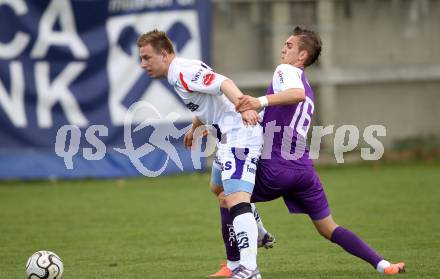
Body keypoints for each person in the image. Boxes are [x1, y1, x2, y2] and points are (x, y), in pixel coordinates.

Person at [207, 26, 405, 277]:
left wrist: (260, 101)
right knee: (328, 228)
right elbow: (286, 106)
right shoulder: (308, 87)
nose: (283, 48)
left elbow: (294, 95)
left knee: (227, 196)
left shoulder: (286, 71)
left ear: (302, 56)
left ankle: (234, 266)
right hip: (303, 170)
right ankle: (384, 265)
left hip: (276, 166)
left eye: (289, 45)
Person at [137, 29, 268, 279]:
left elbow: (223, 83)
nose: (143, 64)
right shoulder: (177, 74)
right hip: (226, 136)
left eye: (147, 57)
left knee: (235, 199)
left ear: (164, 54)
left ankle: (248, 270)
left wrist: (244, 107)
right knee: (217, 189)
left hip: (240, 135)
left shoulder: (182, 71)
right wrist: (195, 127)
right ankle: (257, 232)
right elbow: (208, 98)